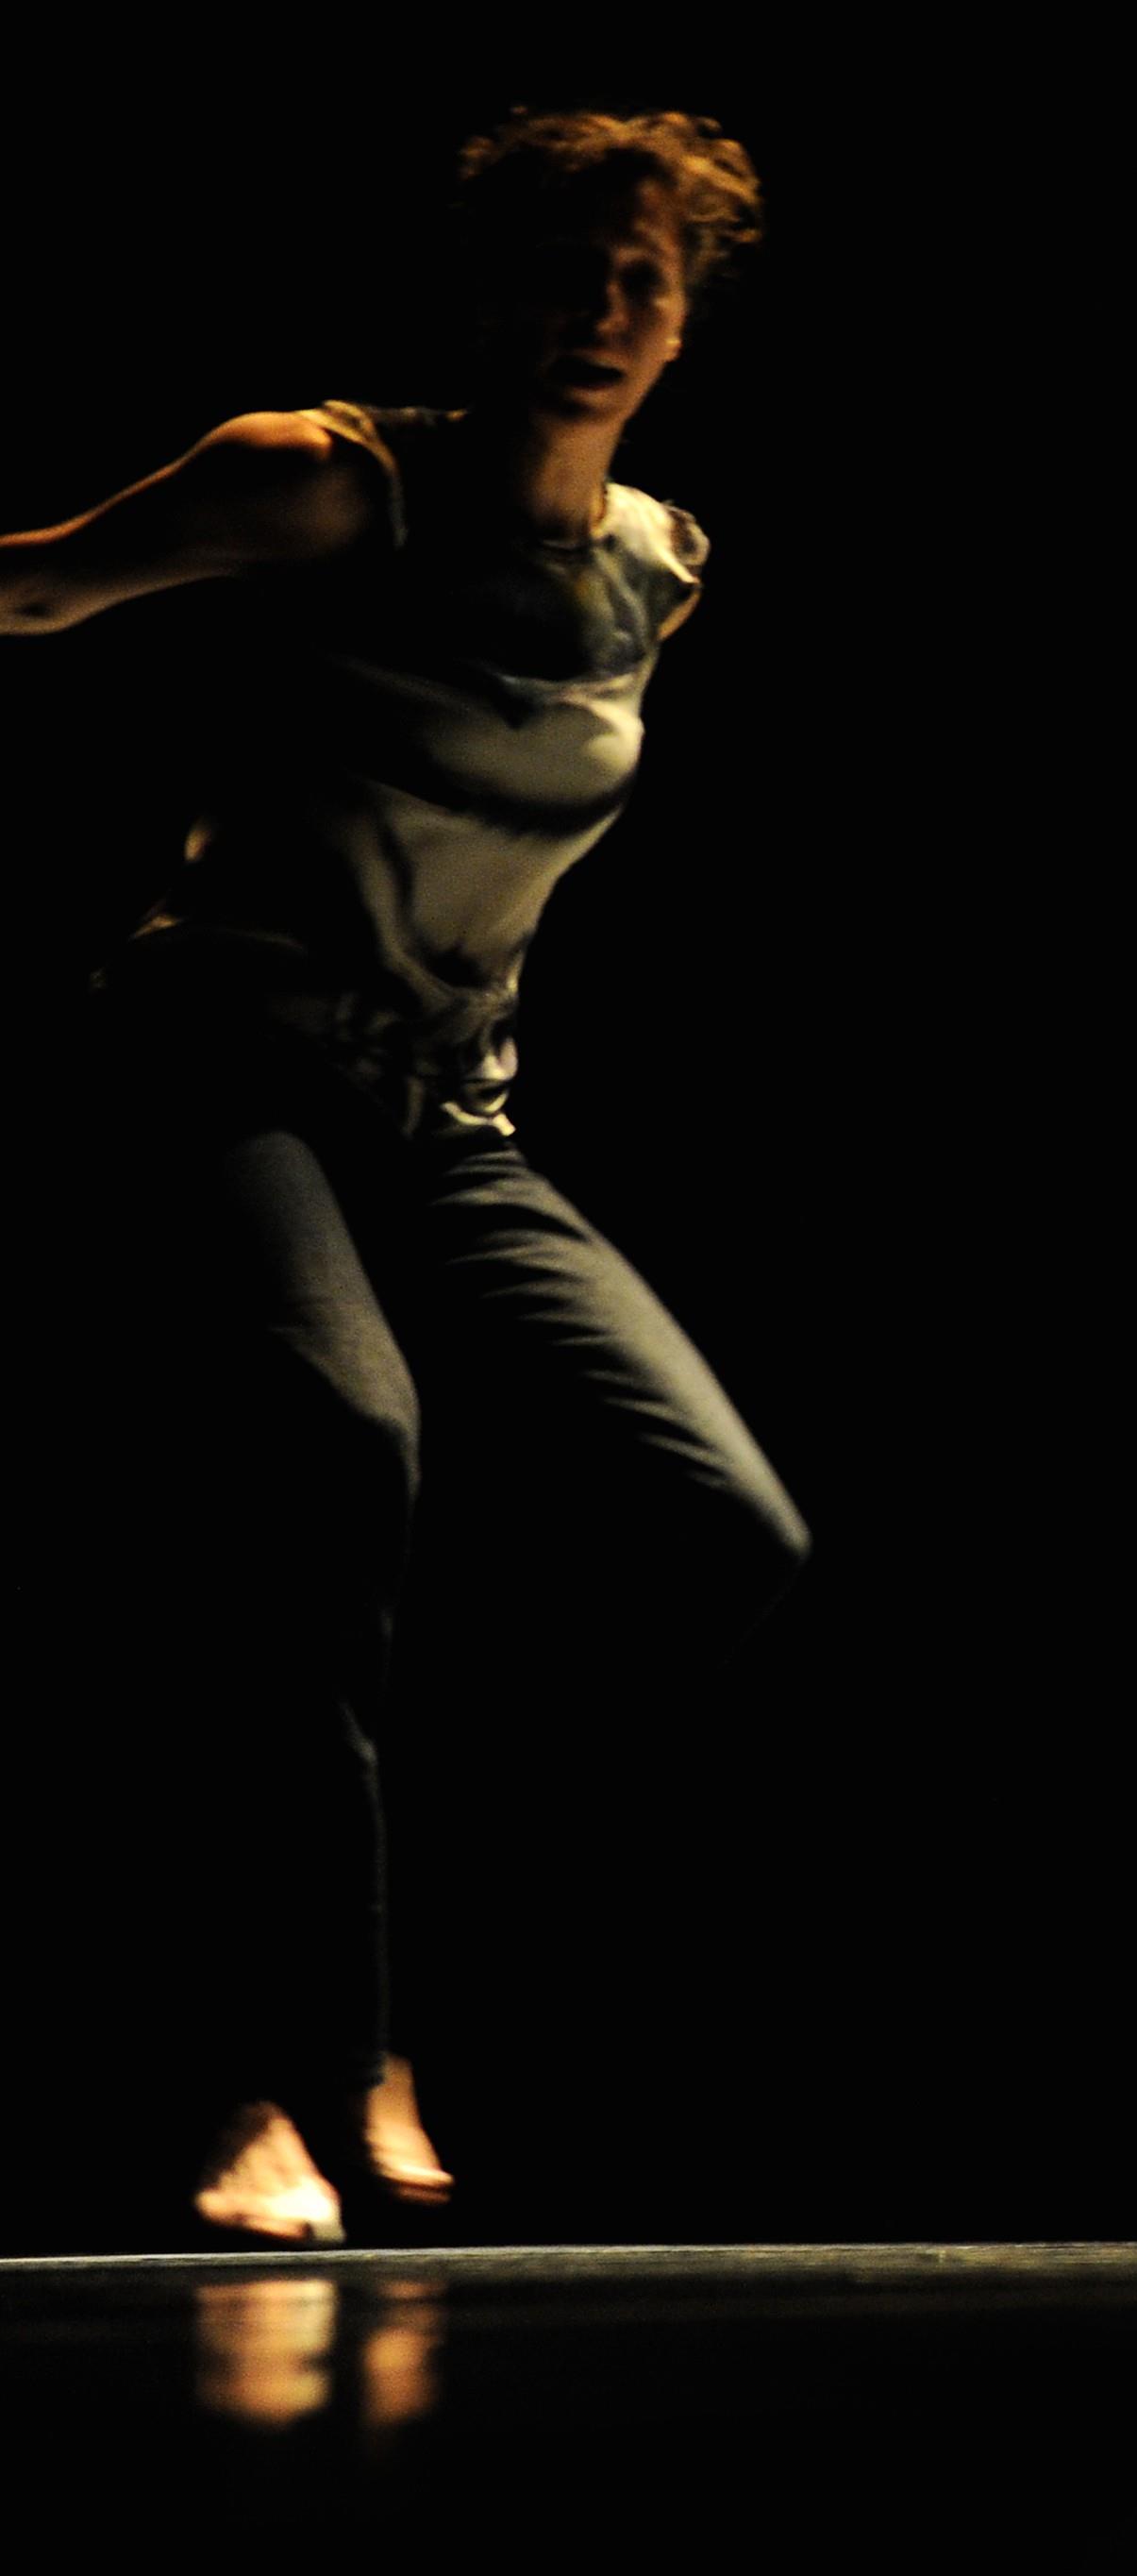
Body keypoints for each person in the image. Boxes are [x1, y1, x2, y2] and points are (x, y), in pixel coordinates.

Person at [3, 106, 811, 2245]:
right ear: (489, 296)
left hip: (451, 1116)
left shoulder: (663, 565)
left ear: (682, 321)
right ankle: (267, 2061)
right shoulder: (330, 478)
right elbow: (36, 582)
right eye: (564, 274)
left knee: (711, 1523)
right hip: (219, 1063)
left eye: (641, 282)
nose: (599, 315)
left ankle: (361, 1973)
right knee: (341, 1445)